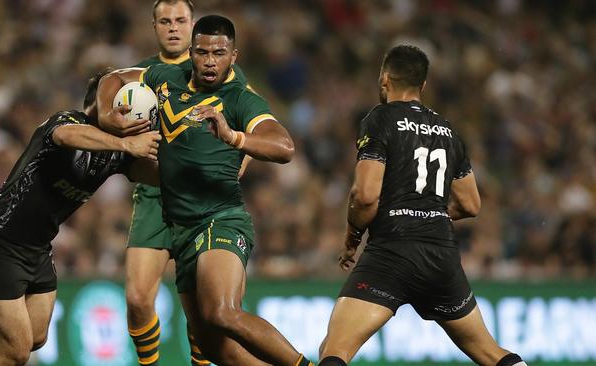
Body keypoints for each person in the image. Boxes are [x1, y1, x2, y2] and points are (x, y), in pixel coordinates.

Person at [97, 15, 314, 366]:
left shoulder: (240, 100)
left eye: (219, 53)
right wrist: (110, 118)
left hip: (220, 220)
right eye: (201, 52)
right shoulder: (165, 78)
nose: (210, 61)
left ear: (234, 56)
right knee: (216, 349)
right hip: (181, 229)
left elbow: (283, 146)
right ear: (191, 53)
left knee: (223, 312)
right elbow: (114, 78)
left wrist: (234, 137)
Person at [318, 45, 527, 366]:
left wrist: (353, 235)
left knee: (335, 349)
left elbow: (365, 195)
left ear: (384, 79)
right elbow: (471, 204)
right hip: (440, 255)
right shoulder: (448, 131)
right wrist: (428, 213)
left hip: (392, 252)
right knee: (490, 353)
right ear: (423, 86)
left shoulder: (380, 118)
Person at [0, 70, 161, 366]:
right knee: (17, 350)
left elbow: (161, 177)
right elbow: (65, 136)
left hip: (38, 249)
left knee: (36, 336)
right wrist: (126, 144)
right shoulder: (67, 121)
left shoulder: (118, 155)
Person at [114, 1, 251, 365]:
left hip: (205, 197)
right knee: (138, 298)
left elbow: (250, 127)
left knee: (204, 313)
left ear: (193, 25)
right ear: (154, 26)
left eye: (180, 20)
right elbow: (111, 106)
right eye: (165, 21)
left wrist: (238, 160)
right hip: (154, 196)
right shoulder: (142, 74)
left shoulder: (226, 76)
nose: (173, 27)